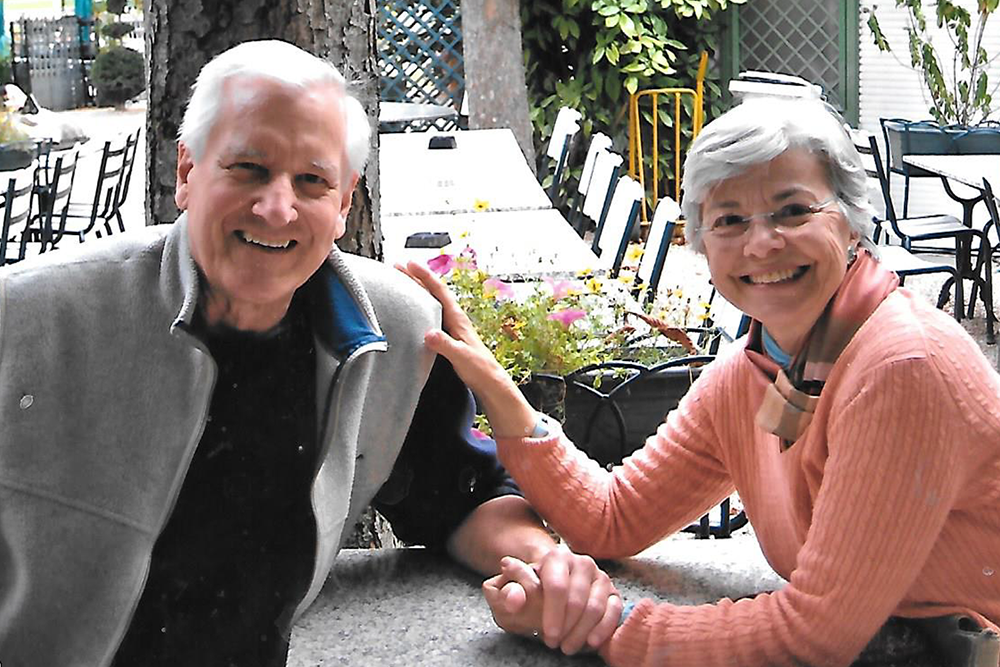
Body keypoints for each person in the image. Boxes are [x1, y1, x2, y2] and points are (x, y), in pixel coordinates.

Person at [0, 40, 623, 666]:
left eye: (311, 181)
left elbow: (460, 496)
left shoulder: (391, 334)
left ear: (346, 201)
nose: (277, 208)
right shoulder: (29, 320)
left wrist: (550, 571)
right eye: (247, 169)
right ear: (186, 173)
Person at [403, 96, 1000, 667]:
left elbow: (814, 635)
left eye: (793, 211)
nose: (762, 242)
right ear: (704, 246)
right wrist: (496, 388)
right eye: (730, 220)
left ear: (850, 223)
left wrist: (601, 625)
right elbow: (613, 517)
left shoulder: (899, 369)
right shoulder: (755, 371)